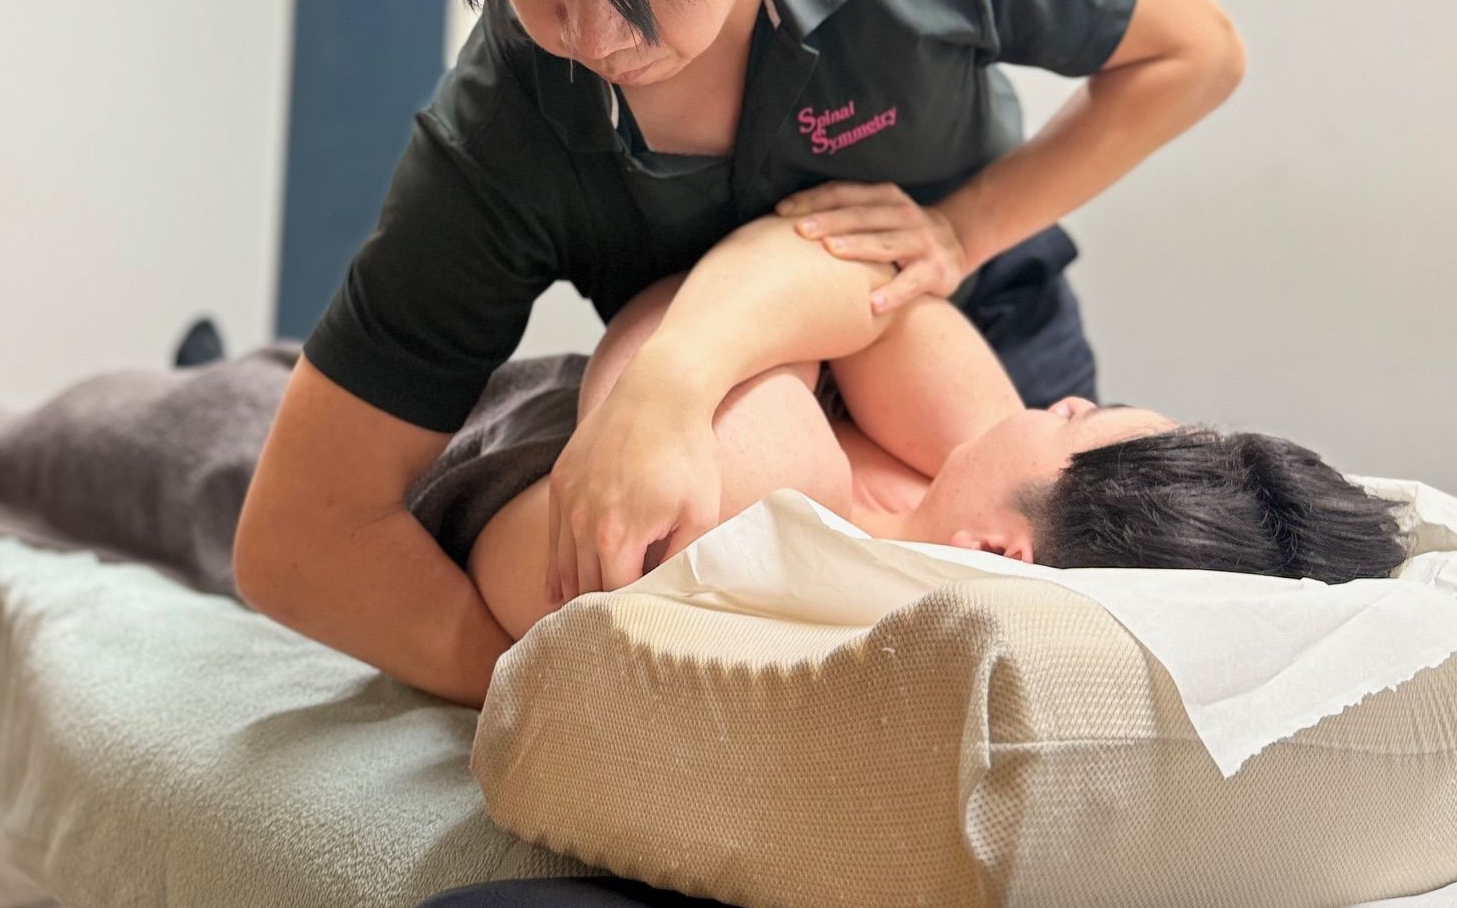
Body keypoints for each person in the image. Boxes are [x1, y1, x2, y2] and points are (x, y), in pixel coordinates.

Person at [234, 0, 1250, 707]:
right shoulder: (502, 136)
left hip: (976, 322)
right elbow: (298, 539)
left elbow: (1194, 54)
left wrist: (962, 232)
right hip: (696, 423)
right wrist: (543, 688)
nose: (602, 33)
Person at [448, 212, 1411, 644]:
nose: (1068, 400)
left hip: (477, 433)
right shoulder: (955, 460)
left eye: (1085, 422)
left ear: (1004, 551)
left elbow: (712, 288)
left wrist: (781, 335)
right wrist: (790, 320)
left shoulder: (770, 502)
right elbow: (840, 250)